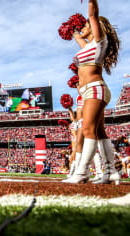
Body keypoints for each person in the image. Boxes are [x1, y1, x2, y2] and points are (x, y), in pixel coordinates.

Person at [67, 0, 120, 184]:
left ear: (95, 27)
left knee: (88, 129)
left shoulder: (99, 42)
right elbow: (75, 34)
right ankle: (111, 172)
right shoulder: (88, 46)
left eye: (86, 25)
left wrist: (91, 1)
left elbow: (92, 14)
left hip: (95, 89)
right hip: (90, 91)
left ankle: (82, 173)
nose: (84, 27)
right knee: (99, 132)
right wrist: (71, 27)